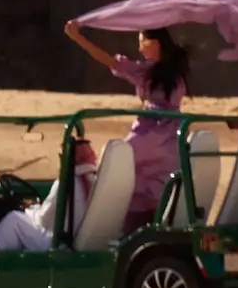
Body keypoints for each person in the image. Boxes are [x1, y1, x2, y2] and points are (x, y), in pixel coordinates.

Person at [63, 16, 193, 229]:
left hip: (149, 133)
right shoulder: (174, 72)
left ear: (155, 44)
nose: (140, 49)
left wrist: (77, 37)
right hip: (171, 138)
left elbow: (108, 60)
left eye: (142, 43)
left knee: (118, 166)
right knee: (155, 183)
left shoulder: (148, 73)